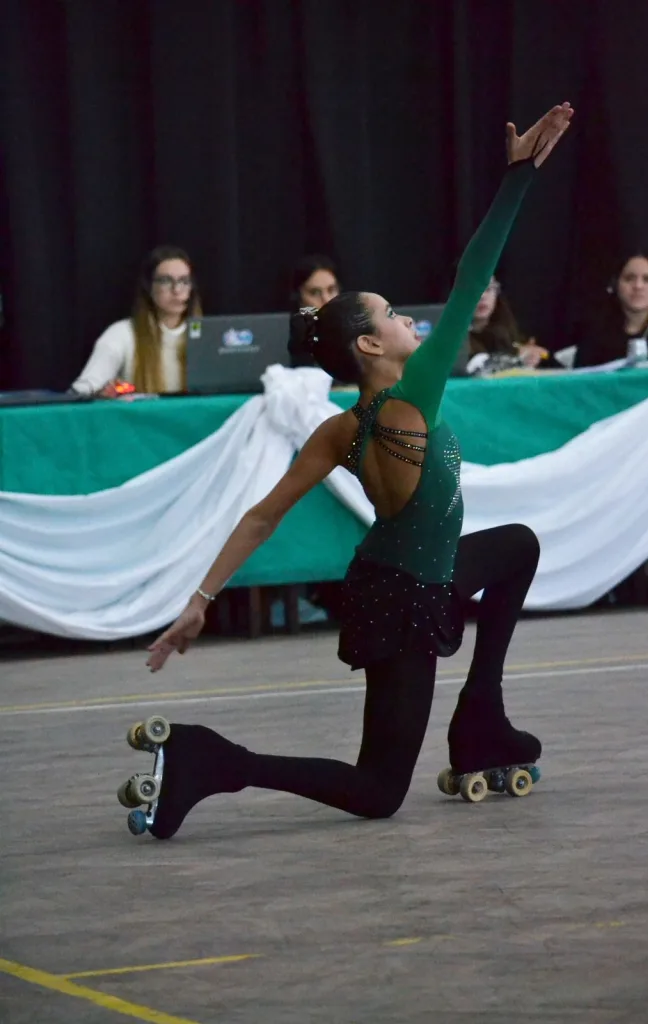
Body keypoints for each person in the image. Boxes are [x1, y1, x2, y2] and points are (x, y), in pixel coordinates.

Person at [141, 102, 574, 840]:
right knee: (378, 791)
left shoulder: (340, 428)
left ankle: (481, 715)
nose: (410, 321)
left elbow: (263, 516)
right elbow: (471, 277)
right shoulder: (414, 396)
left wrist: (201, 600)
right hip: (404, 601)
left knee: (517, 547)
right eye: (393, 315)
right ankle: (212, 760)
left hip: (404, 576)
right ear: (370, 348)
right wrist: (518, 178)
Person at [70, 246, 201, 397]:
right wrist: (102, 395)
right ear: (148, 287)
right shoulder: (122, 334)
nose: (177, 290)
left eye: (184, 281)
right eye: (166, 281)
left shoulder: (206, 336)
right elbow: (80, 391)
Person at [572, 252, 648, 368]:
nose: (638, 286)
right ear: (616, 284)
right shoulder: (593, 335)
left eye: (647, 279)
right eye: (629, 278)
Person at [449, 273, 557, 376]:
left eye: (488, 289)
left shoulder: (507, 331)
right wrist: (519, 362)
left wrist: (528, 356)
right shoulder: (453, 340)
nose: (482, 296)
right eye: (473, 291)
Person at [288, 255, 342, 369]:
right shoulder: (287, 338)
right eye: (315, 293)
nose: (326, 299)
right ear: (298, 298)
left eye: (331, 290)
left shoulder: (357, 333)